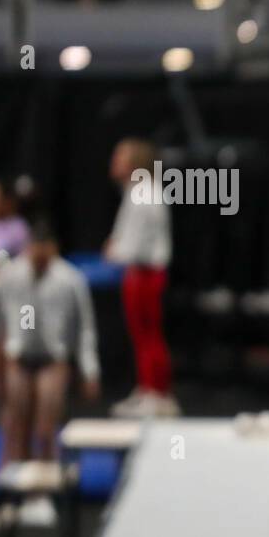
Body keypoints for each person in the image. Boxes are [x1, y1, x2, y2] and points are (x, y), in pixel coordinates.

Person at [0, 221, 100, 464]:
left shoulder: (70, 280)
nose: (40, 261)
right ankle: (18, 491)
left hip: (52, 362)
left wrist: (90, 370)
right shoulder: (7, 277)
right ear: (28, 248)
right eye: (36, 254)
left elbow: (85, 328)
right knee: (16, 429)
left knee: (45, 431)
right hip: (18, 361)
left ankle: (44, 490)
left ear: (54, 250)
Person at [104, 137, 178, 418]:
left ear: (134, 162)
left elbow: (134, 244)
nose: (113, 163)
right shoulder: (137, 191)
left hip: (145, 272)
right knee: (142, 335)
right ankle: (149, 388)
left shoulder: (142, 193)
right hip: (140, 271)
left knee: (149, 336)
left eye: (119, 157)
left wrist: (115, 251)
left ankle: (158, 394)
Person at [0, 177, 33, 409]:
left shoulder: (18, 228)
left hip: (8, 303)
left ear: (7, 202)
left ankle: (10, 407)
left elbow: (18, 264)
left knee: (2, 355)